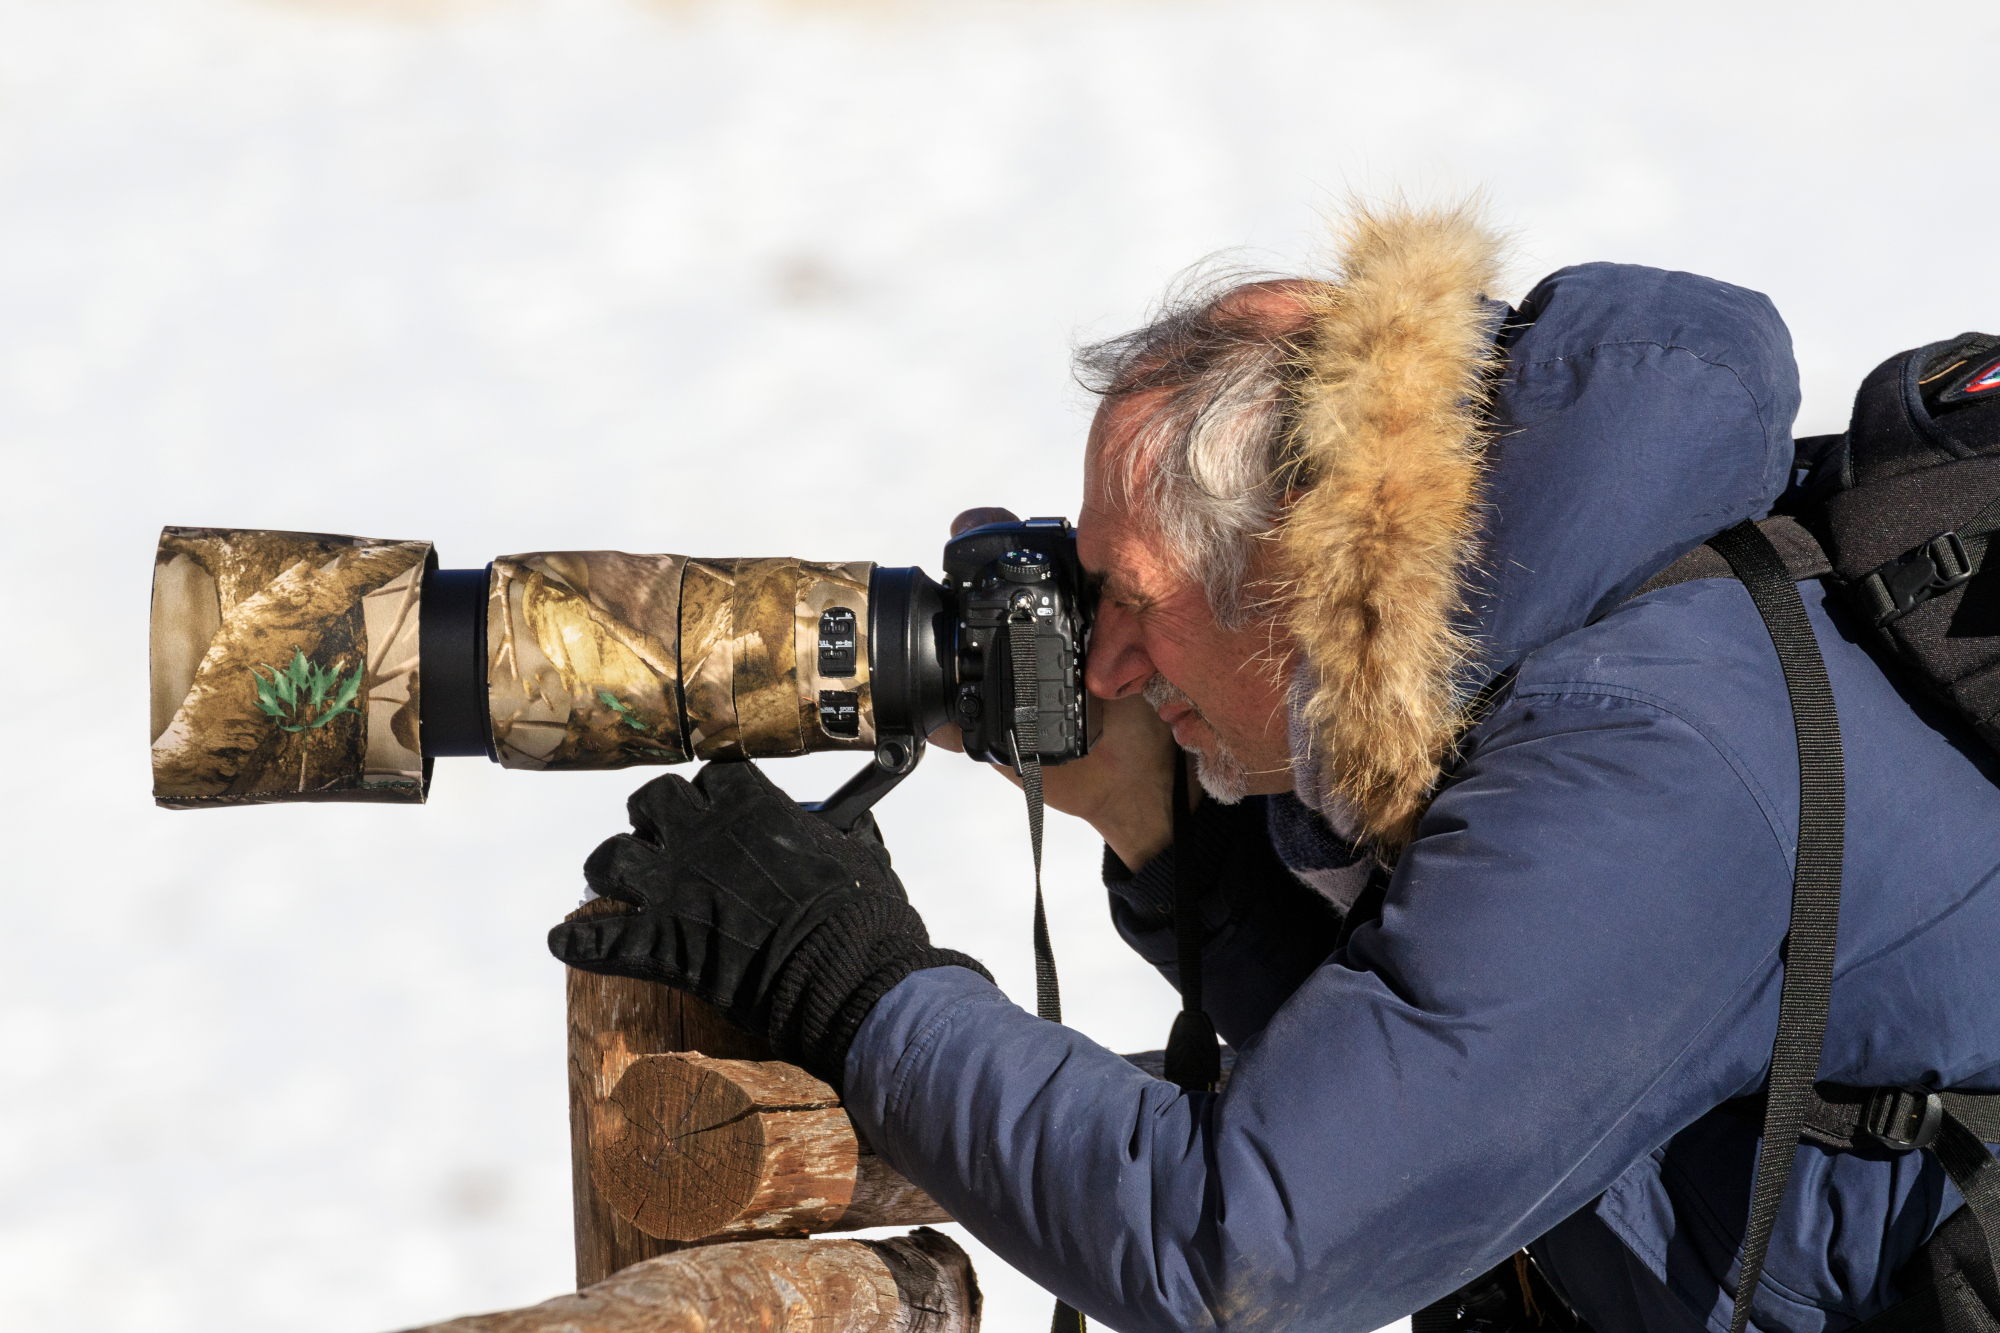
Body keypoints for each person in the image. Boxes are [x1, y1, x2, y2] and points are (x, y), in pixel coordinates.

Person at [549, 203, 2000, 1333]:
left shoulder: (1641, 763)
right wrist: (1172, 848)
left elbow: (1239, 1249)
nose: (1107, 664)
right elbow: (1450, 1086)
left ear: (1304, 563)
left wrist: (854, 985)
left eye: (1133, 596)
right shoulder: (1547, 638)